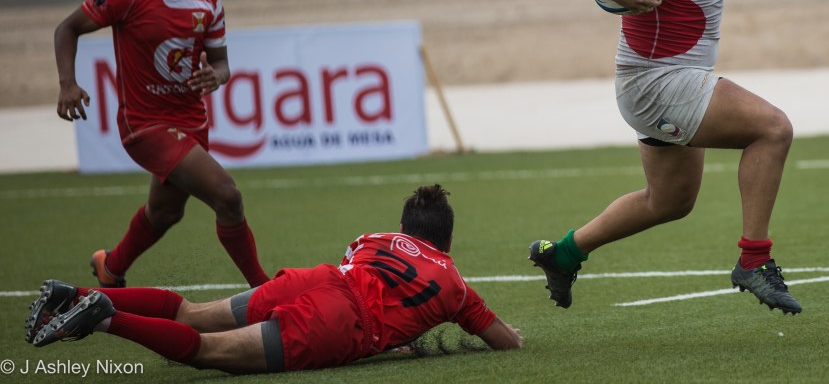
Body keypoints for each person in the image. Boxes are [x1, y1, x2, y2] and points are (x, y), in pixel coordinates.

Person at [528, 0, 809, 315]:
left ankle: (565, 254)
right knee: (772, 128)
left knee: (670, 201)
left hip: (673, 78)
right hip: (657, 83)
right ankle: (754, 261)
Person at [25, 185, 523, 374]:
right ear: (447, 239)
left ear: (404, 229)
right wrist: (511, 337)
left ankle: (81, 294)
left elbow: (366, 274)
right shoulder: (456, 285)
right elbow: (505, 342)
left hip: (318, 280)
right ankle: (105, 319)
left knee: (193, 315)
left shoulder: (374, 239)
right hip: (338, 321)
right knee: (205, 351)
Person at [53, 0, 269, 288]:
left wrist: (213, 76)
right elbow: (67, 28)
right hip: (146, 125)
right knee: (228, 196)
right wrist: (68, 83)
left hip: (192, 124)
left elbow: (222, 64)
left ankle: (111, 267)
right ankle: (264, 290)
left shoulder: (209, 2)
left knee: (165, 213)